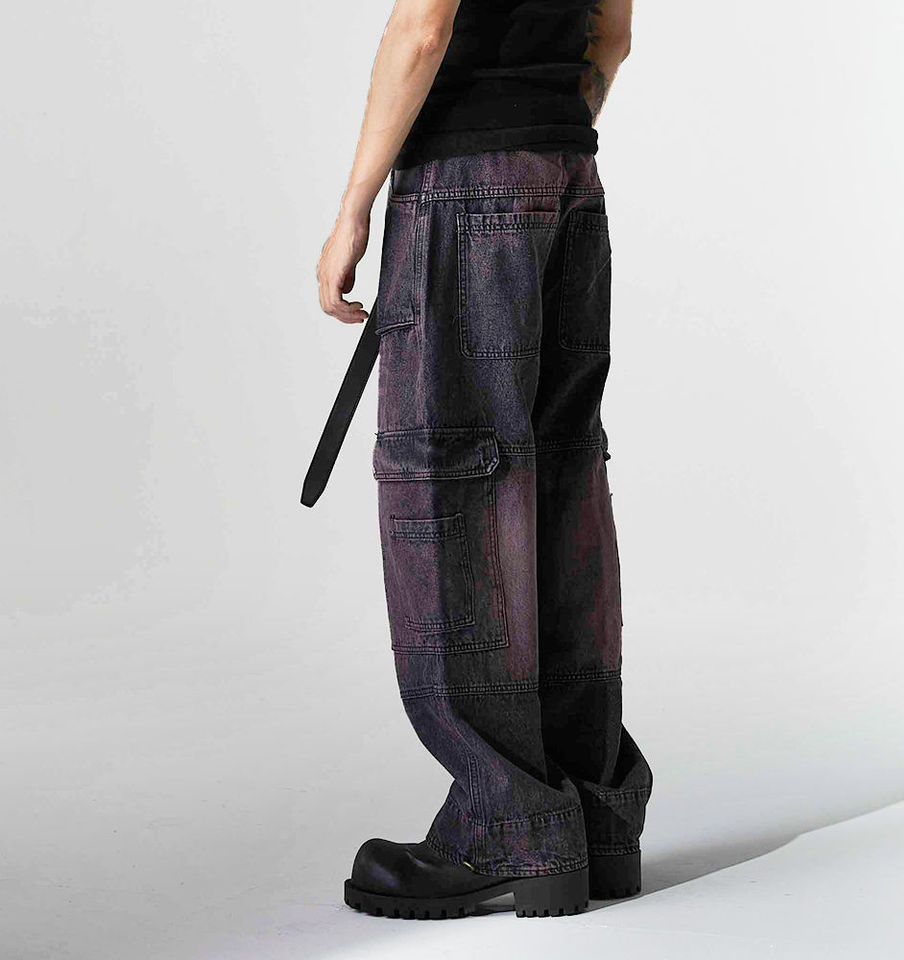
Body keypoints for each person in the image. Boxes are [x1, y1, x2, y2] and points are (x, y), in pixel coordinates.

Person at [315, 0, 652, 920]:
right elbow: (613, 35)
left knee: (455, 490)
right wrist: (546, 130)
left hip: (464, 186)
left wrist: (353, 208)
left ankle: (510, 824)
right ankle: (592, 816)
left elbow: (423, 28)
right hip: (568, 173)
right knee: (561, 481)